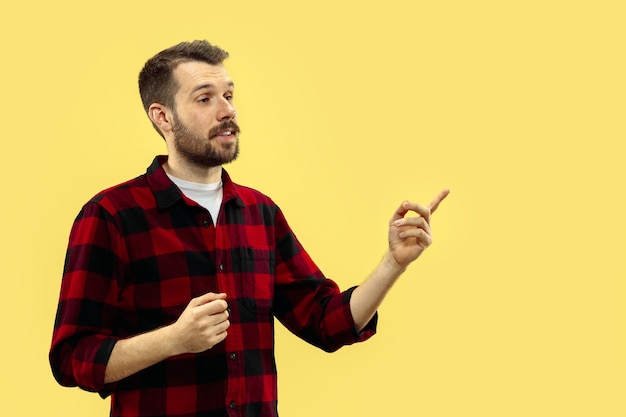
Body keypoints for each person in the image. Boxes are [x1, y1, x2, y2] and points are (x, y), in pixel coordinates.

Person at [49, 40, 449, 417]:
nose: (227, 111)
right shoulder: (111, 215)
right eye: (205, 98)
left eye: (229, 95)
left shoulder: (261, 213)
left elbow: (327, 323)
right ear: (162, 116)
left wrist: (393, 262)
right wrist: (173, 340)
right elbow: (72, 359)